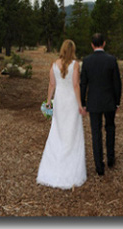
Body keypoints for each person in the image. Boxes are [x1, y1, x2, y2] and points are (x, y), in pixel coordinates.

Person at [36, 40, 87, 189]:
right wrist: (80, 105)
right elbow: (76, 85)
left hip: (59, 101)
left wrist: (48, 101)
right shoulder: (75, 65)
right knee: (72, 133)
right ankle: (71, 168)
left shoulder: (53, 64)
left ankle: (53, 165)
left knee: (57, 132)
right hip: (71, 101)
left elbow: (52, 84)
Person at [80, 33, 122, 176]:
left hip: (94, 101)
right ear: (103, 43)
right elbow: (117, 82)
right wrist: (117, 102)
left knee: (96, 132)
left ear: (92, 45)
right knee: (110, 128)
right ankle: (110, 158)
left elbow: (83, 84)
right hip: (109, 101)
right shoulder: (111, 60)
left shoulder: (86, 61)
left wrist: (83, 102)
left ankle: (99, 166)